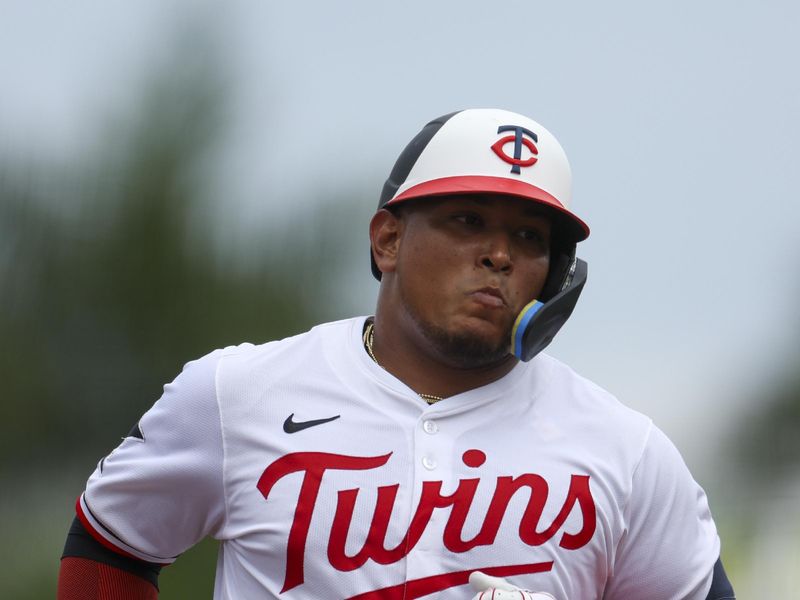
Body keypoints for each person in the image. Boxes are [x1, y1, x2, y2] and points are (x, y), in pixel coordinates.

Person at [58, 108, 735, 599]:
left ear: (555, 274)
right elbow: (112, 544)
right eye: (467, 220)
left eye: (529, 236)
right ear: (387, 240)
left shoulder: (624, 450)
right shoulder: (236, 395)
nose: (499, 254)